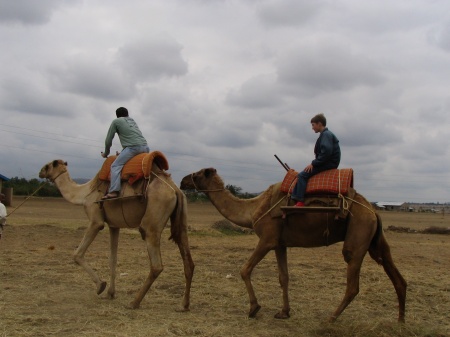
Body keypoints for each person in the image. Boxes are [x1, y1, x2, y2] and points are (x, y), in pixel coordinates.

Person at [291, 113, 340, 207]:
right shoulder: (326, 135)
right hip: (329, 162)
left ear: (319, 124)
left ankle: (300, 201)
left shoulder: (326, 135)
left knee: (302, 175)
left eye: (313, 125)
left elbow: (326, 152)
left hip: (328, 163)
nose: (312, 128)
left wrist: (314, 163)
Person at [101, 107, 149, 199]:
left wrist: (106, 153)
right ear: (127, 114)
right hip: (145, 147)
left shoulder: (116, 121)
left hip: (133, 148)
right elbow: (133, 137)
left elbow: (108, 140)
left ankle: (114, 191)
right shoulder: (132, 121)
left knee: (115, 166)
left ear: (117, 115)